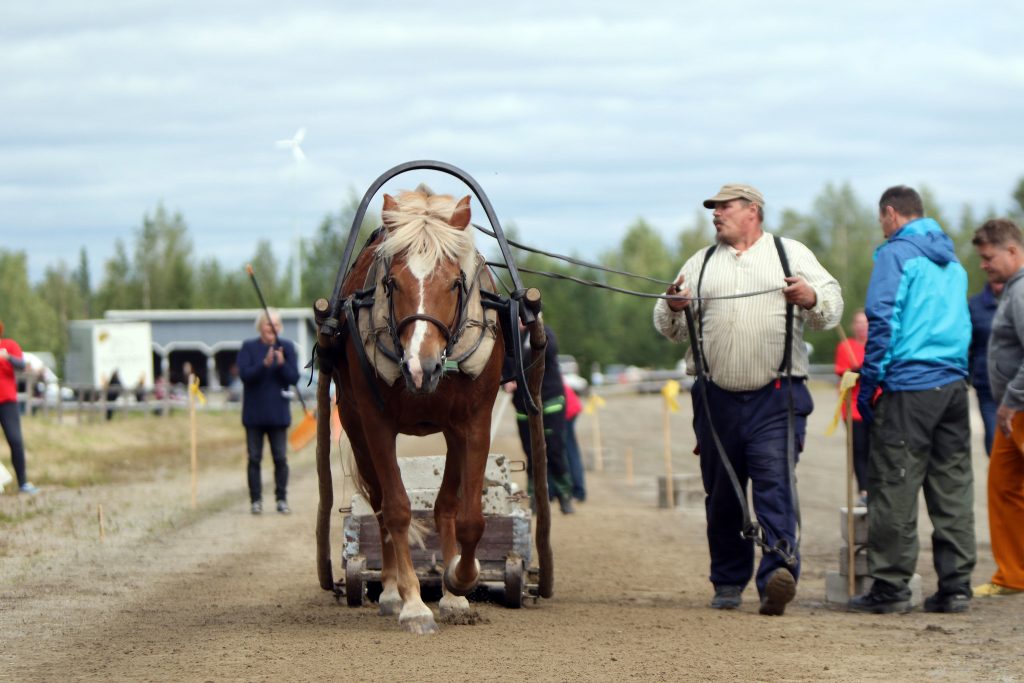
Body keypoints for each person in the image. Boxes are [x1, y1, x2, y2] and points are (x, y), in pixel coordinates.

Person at [654, 183, 842, 616]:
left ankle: (778, 574)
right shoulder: (700, 263)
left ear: (752, 211)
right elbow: (669, 328)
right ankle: (727, 582)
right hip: (714, 397)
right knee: (723, 493)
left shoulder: (789, 253)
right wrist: (674, 306)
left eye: (725, 207)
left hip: (777, 397)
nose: (716, 214)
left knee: (775, 485)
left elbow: (830, 305)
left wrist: (811, 297)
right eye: (714, 209)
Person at [848, 185, 975, 615]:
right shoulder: (952, 260)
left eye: (881, 220)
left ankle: (890, 587)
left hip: (910, 385)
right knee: (952, 486)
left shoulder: (895, 254)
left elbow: (882, 318)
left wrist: (869, 385)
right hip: (953, 385)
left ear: (890, 213)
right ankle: (956, 586)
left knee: (894, 485)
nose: (881, 229)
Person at [970, 218, 1024, 598]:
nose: (984, 265)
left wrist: (1012, 399)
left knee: (1005, 487)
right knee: (1003, 487)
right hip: (1011, 408)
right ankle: (1014, 575)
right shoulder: (1012, 290)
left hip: (1018, 406)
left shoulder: (1021, 293)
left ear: (1012, 251)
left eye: (989, 257)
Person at [504, 322, 575, 514]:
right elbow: (505, 364)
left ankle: (564, 495)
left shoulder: (544, 332)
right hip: (523, 405)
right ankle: (535, 496)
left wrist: (520, 371)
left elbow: (547, 350)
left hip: (550, 400)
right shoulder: (511, 340)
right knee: (531, 452)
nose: (519, 320)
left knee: (554, 450)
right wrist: (507, 380)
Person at [237, 309, 299, 515]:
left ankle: (281, 498)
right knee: (254, 458)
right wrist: (264, 364)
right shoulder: (248, 347)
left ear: (280, 327)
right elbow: (245, 375)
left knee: (280, 458)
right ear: (260, 327)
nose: (272, 328)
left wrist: (281, 364)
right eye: (268, 324)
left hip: (278, 415)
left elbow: (294, 378)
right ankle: (256, 500)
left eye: (276, 324)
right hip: (254, 414)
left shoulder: (287, 347)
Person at [833, 309, 870, 503]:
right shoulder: (845, 346)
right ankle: (864, 490)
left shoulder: (877, 346)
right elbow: (842, 373)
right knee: (859, 450)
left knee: (877, 450)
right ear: (853, 326)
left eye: (865, 322)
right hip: (853, 408)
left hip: (876, 406)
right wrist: (854, 372)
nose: (862, 326)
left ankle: (877, 488)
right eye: (858, 322)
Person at [0, 321, 39, 494]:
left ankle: (22, 482)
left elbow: (22, 365)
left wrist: (7, 357)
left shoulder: (9, 346)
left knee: (15, 441)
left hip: (7, 401)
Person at [969, 278, 1003, 456]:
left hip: (1017, 384)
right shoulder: (974, 305)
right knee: (994, 437)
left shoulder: (1017, 300)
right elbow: (968, 344)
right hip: (986, 384)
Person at [563, 381, 586, 502]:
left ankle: (578, 491)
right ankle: (575, 489)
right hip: (569, 407)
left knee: (570, 452)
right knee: (569, 451)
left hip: (567, 410)